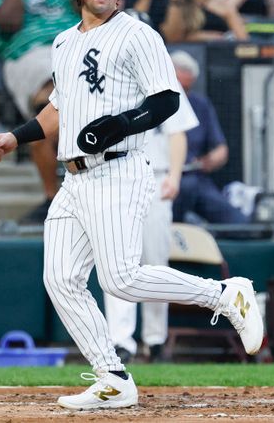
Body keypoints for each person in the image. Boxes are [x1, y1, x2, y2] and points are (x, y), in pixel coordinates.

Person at [0, 0, 262, 410]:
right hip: (74, 179)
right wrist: (17, 136)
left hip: (118, 170)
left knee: (120, 279)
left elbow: (167, 100)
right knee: (61, 279)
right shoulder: (64, 41)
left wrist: (119, 125)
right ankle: (111, 375)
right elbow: (59, 106)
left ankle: (224, 295)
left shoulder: (138, 35)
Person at [103, 51, 199, 365]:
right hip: (116, 176)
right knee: (117, 262)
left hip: (155, 177)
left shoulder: (165, 81)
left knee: (155, 261)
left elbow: (178, 133)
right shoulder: (108, 81)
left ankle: (155, 341)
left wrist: (174, 175)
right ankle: (121, 341)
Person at [0, 0, 78, 223]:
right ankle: (52, 197)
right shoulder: (0, 1)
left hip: (68, 50)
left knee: (48, 130)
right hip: (28, 57)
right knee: (47, 121)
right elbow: (8, 24)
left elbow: (84, 2)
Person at [171, 51, 249, 226]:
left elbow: (221, 149)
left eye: (187, 88)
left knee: (239, 222)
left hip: (195, 176)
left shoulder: (200, 105)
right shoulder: (153, 103)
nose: (183, 94)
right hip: (164, 179)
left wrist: (213, 159)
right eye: (179, 87)